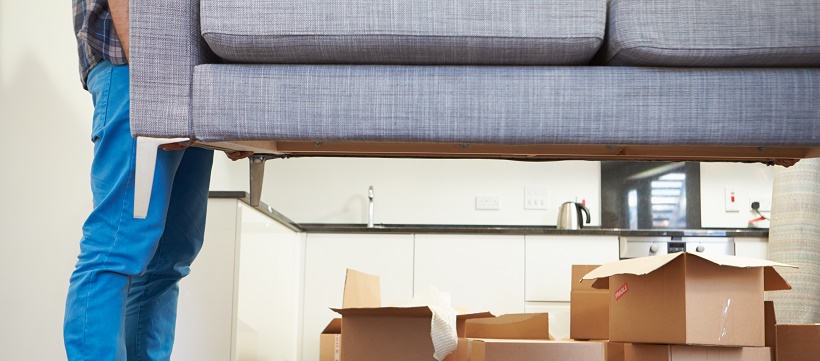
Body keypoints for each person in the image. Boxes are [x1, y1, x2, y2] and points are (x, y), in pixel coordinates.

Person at [65, 1, 252, 359]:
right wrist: (154, 87)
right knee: (116, 246)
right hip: (134, 71)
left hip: (189, 85)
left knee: (171, 256)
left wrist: (229, 108)